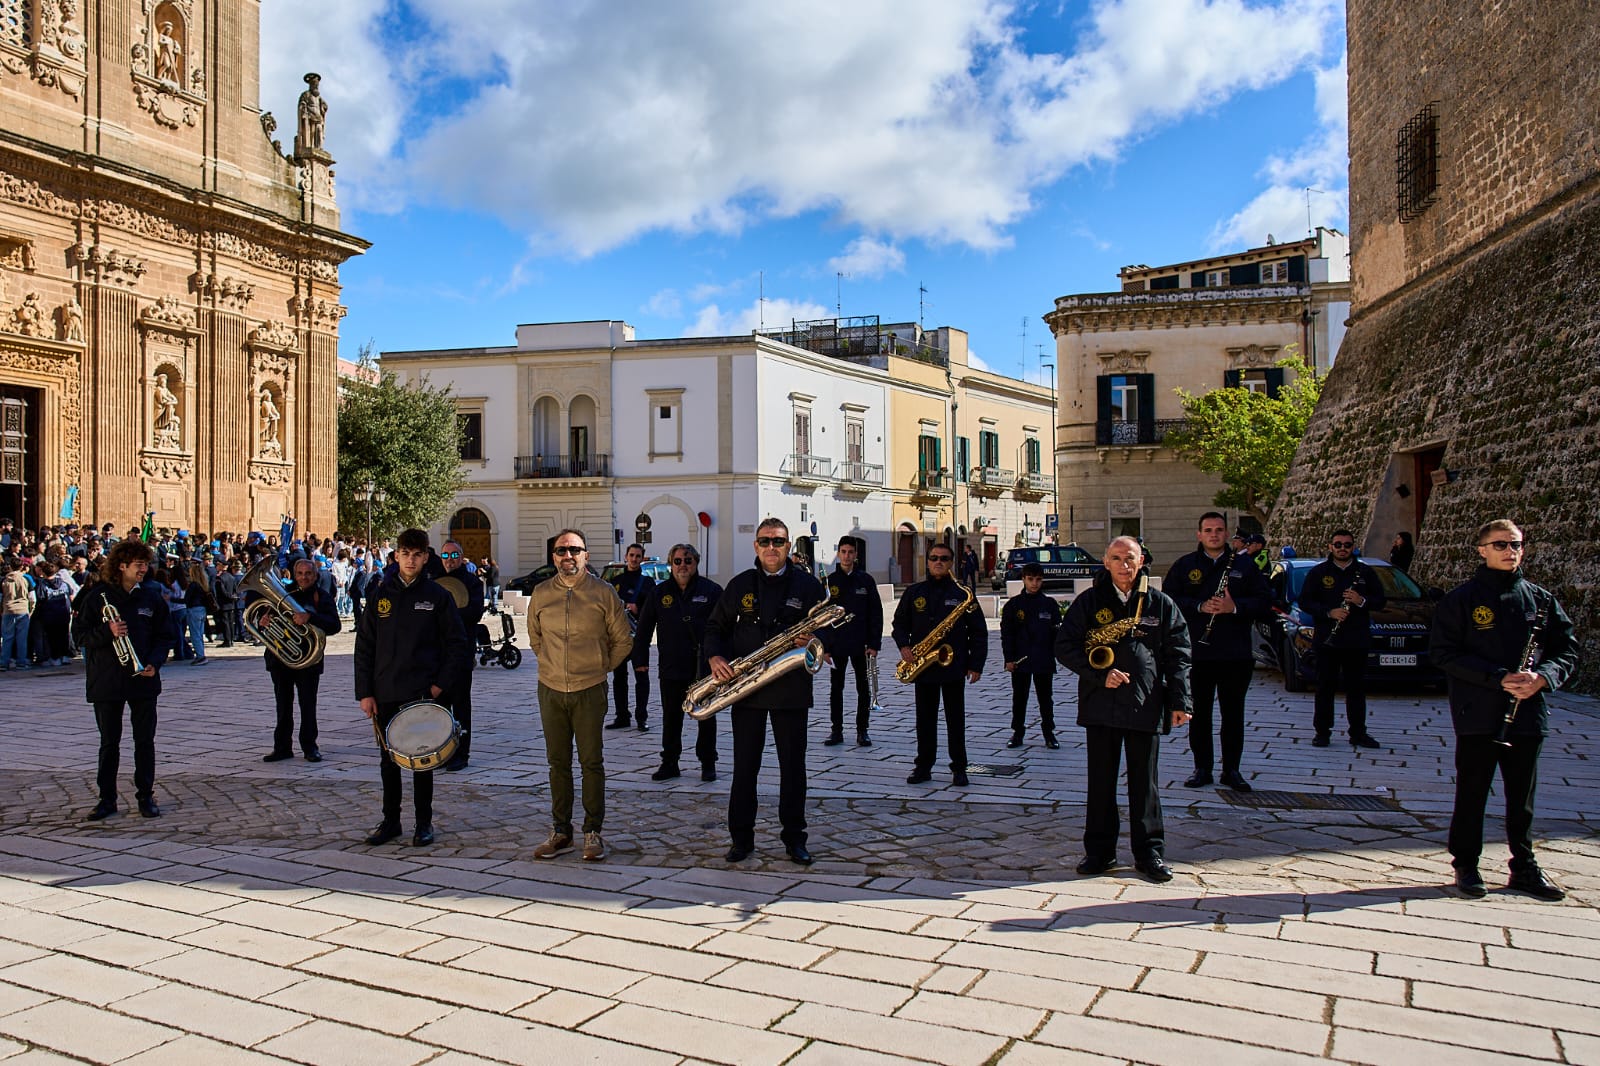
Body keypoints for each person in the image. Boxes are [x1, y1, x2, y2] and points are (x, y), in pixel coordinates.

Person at [1431, 519, 1578, 901]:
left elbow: (1567, 650)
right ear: (1482, 550)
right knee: (1472, 792)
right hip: (1478, 712)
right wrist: (1498, 677)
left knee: (1522, 798)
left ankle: (1524, 867)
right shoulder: (1461, 600)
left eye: (1516, 544)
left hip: (1528, 711)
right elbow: (1443, 653)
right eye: (1501, 545)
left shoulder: (1540, 599)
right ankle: (1466, 863)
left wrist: (1543, 677)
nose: (1510, 551)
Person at [1057, 536, 1192, 882]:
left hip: (1146, 703)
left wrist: (1181, 701)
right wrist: (1099, 674)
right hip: (1100, 704)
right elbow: (1065, 646)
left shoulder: (1159, 603)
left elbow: (1179, 653)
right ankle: (1099, 853)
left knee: (1145, 785)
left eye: (1130, 558)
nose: (1124, 565)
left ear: (1141, 560)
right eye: (1116, 558)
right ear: (1106, 562)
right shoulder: (1089, 602)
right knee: (1101, 782)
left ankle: (1149, 853)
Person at [704, 518, 826, 864]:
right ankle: (741, 840)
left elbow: (830, 632)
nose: (771, 547)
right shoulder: (739, 584)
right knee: (745, 768)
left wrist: (815, 639)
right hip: (747, 691)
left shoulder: (808, 586)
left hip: (791, 689)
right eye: (765, 541)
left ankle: (795, 839)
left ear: (788, 546)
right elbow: (714, 627)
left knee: (793, 769)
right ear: (755, 546)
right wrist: (715, 656)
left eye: (779, 541)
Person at [354, 529, 471, 848]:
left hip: (422, 692)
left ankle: (423, 823)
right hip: (385, 691)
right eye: (405, 554)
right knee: (388, 762)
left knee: (422, 761)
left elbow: (457, 644)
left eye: (417, 555)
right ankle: (390, 821)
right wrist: (365, 692)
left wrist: (439, 686)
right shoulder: (380, 595)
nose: (410, 560)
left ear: (425, 557)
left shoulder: (438, 596)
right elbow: (364, 646)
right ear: (396, 556)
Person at [526, 529, 632, 862]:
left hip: (590, 690)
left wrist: (600, 666)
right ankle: (561, 832)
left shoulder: (603, 593)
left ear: (586, 554)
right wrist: (551, 665)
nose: (567, 556)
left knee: (591, 762)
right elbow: (535, 638)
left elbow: (623, 640)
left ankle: (592, 831)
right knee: (557, 763)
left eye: (574, 550)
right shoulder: (541, 593)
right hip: (551, 689)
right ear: (553, 556)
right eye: (561, 550)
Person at [1164, 512, 1271, 792]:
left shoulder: (1245, 565)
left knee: (1233, 714)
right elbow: (1168, 600)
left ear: (1227, 534)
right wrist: (1199, 606)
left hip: (1235, 654)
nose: (1214, 535)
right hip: (1198, 653)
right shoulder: (1185, 565)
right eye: (1208, 530)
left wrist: (1234, 608)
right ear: (1199, 534)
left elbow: (1264, 602)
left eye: (1219, 530)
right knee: (1198, 714)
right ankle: (1202, 768)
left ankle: (1232, 770)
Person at [71, 538, 171, 820]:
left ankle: (145, 796)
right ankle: (107, 799)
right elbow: (79, 635)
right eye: (138, 564)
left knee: (145, 741)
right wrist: (108, 631)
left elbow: (165, 635)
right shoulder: (96, 597)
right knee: (109, 743)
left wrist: (155, 662)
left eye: (146, 564)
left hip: (143, 679)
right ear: (122, 565)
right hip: (107, 680)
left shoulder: (151, 596)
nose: (144, 569)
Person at [891, 542, 986, 787]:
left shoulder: (963, 593)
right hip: (924, 666)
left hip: (954, 666)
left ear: (951, 563)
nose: (938, 562)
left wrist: (976, 664)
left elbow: (978, 631)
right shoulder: (914, 592)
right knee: (924, 720)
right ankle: (923, 766)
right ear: (928, 561)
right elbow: (899, 624)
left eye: (944, 558)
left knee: (956, 720)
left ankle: (959, 768)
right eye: (934, 558)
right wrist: (904, 646)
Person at [633, 543, 723, 782]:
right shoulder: (659, 593)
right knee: (671, 717)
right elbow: (644, 628)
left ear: (696, 563)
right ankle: (670, 762)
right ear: (671, 564)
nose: (683, 565)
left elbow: (724, 628)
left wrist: (723, 657)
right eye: (678, 561)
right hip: (671, 665)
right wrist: (640, 660)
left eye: (688, 560)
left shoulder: (712, 591)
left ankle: (708, 762)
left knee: (706, 715)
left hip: (704, 667)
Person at [1302, 530, 1387, 748]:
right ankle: (1322, 732)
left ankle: (1358, 733)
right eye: (1338, 544)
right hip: (1327, 640)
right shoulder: (1319, 572)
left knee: (1356, 689)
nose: (1342, 548)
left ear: (1353, 547)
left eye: (1347, 545)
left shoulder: (1365, 572)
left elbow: (1380, 601)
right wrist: (1329, 612)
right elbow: (1305, 602)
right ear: (1330, 547)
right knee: (1325, 687)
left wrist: (1361, 600)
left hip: (1356, 640)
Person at [257, 558, 340, 763]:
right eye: (300, 573)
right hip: (280, 659)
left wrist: (310, 617)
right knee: (283, 706)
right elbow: (265, 618)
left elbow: (335, 625)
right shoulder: (283, 594)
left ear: (315, 575)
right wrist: (264, 622)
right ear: (294, 575)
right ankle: (282, 747)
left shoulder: (322, 597)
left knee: (308, 705)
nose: (304, 577)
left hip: (308, 661)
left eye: (308, 573)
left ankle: (310, 747)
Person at [819, 536, 882, 747]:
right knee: (836, 688)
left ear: (856, 554)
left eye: (850, 552)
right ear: (838, 553)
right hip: (836, 645)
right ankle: (836, 730)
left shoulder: (866, 581)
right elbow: (821, 618)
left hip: (861, 645)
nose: (847, 556)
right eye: (843, 552)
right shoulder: (829, 582)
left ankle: (863, 730)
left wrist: (874, 644)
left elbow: (876, 613)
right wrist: (824, 647)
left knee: (863, 688)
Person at [1000, 562, 1061, 749]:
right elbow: (1007, 634)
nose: (1034, 583)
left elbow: (1057, 633)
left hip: (1043, 658)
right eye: (1030, 579)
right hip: (1020, 659)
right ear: (1023, 579)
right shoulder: (1013, 605)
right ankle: (1017, 732)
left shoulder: (1049, 605)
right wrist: (1009, 658)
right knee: (1019, 698)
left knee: (1045, 698)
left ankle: (1049, 733)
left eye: (1038, 580)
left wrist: (1057, 655)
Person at [438, 540, 484, 771]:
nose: (450, 560)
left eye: (454, 555)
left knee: (461, 706)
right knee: (439, 706)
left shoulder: (473, 582)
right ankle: (442, 751)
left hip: (461, 654)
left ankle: (461, 753)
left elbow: (474, 612)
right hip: (436, 655)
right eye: (445, 555)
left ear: (462, 556)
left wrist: (448, 614)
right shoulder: (434, 581)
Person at [606, 543, 655, 731]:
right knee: (619, 678)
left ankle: (642, 718)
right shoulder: (615, 581)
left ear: (642, 558)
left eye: (638, 556)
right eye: (631, 555)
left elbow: (653, 611)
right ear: (626, 557)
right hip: (619, 637)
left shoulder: (648, 583)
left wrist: (638, 608)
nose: (634, 559)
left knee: (641, 677)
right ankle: (622, 716)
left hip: (639, 638)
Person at [2, 560, 33, 670]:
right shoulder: (27, 578)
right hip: (22, 609)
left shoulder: (4, 580)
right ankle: (21, 662)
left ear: (10, 566)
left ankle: (4, 662)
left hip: (8, 610)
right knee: (22, 638)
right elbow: (32, 598)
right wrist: (31, 610)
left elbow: (0, 597)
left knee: (7, 638)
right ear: (21, 567)